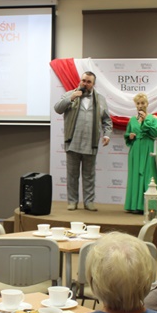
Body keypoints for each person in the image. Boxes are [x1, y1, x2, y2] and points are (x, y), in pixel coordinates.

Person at [54, 71, 112, 211]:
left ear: (93, 84)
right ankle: (72, 201)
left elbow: (107, 120)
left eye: (88, 81)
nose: (85, 83)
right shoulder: (70, 94)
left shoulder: (100, 99)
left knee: (89, 175)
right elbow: (57, 108)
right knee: (72, 175)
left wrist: (107, 134)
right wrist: (71, 98)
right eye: (83, 80)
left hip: (90, 143)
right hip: (73, 142)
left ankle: (89, 202)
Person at [124, 93, 157, 213]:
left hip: (149, 149)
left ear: (147, 104)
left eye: (143, 103)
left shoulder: (153, 118)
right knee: (135, 176)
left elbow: (156, 134)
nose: (140, 106)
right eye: (138, 103)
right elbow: (127, 135)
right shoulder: (131, 120)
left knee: (149, 176)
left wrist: (145, 119)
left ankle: (150, 206)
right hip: (135, 151)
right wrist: (129, 136)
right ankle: (135, 206)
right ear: (135, 105)